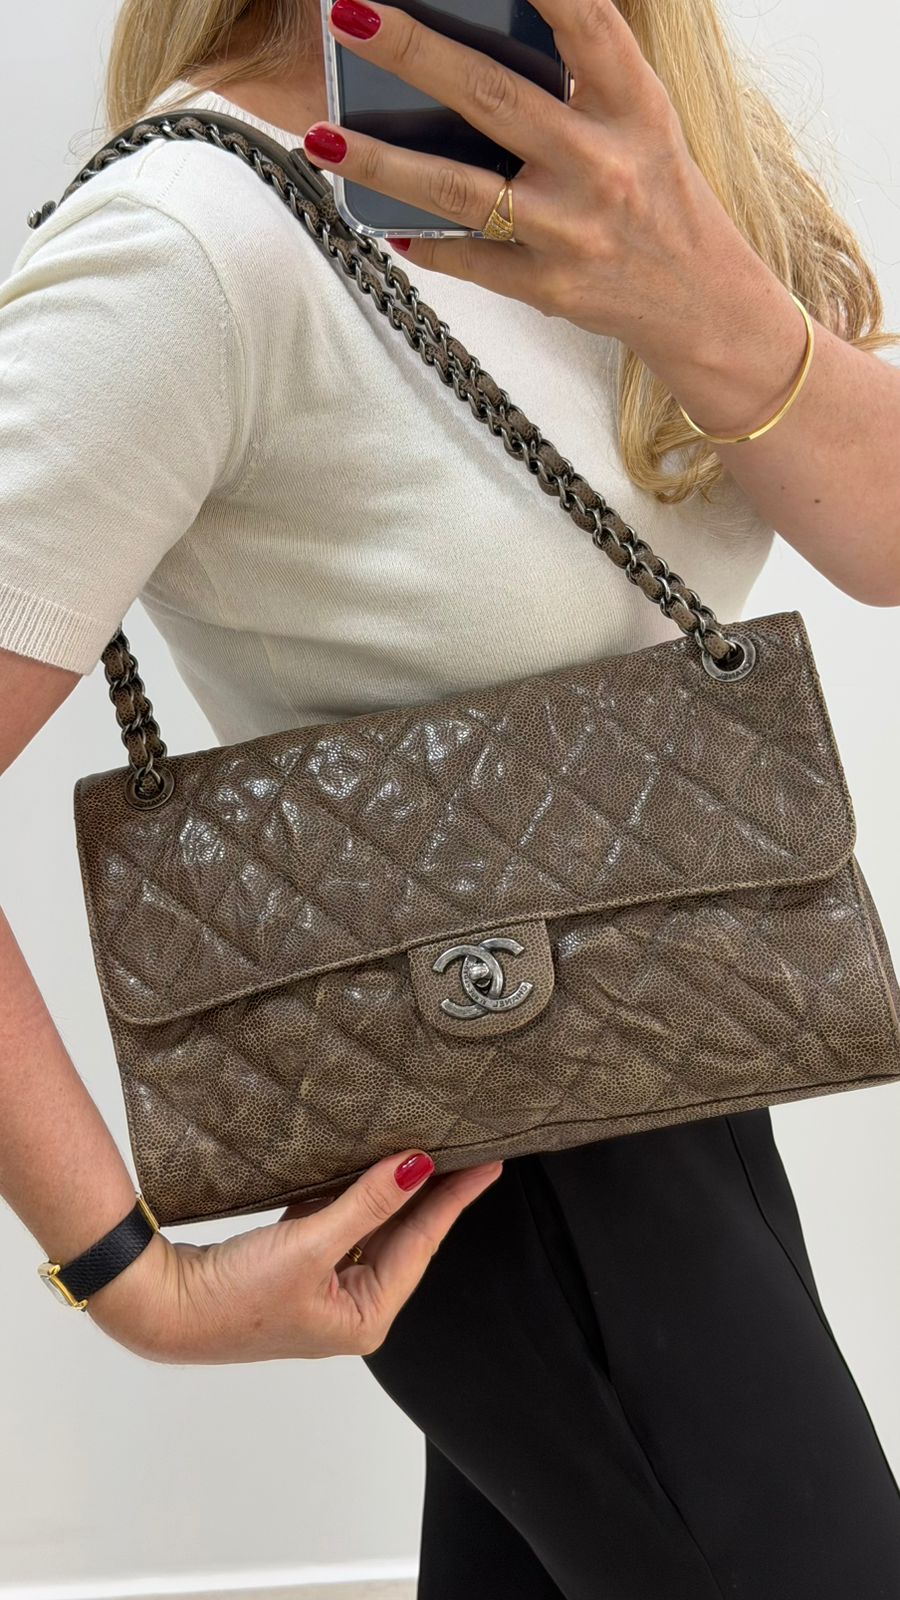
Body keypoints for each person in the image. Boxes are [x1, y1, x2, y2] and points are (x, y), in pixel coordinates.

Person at [2, 0, 900, 1594]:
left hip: (696, 1055)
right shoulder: (194, 238)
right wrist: (126, 1273)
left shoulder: (636, 146)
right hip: (469, 1136)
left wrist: (707, 292)